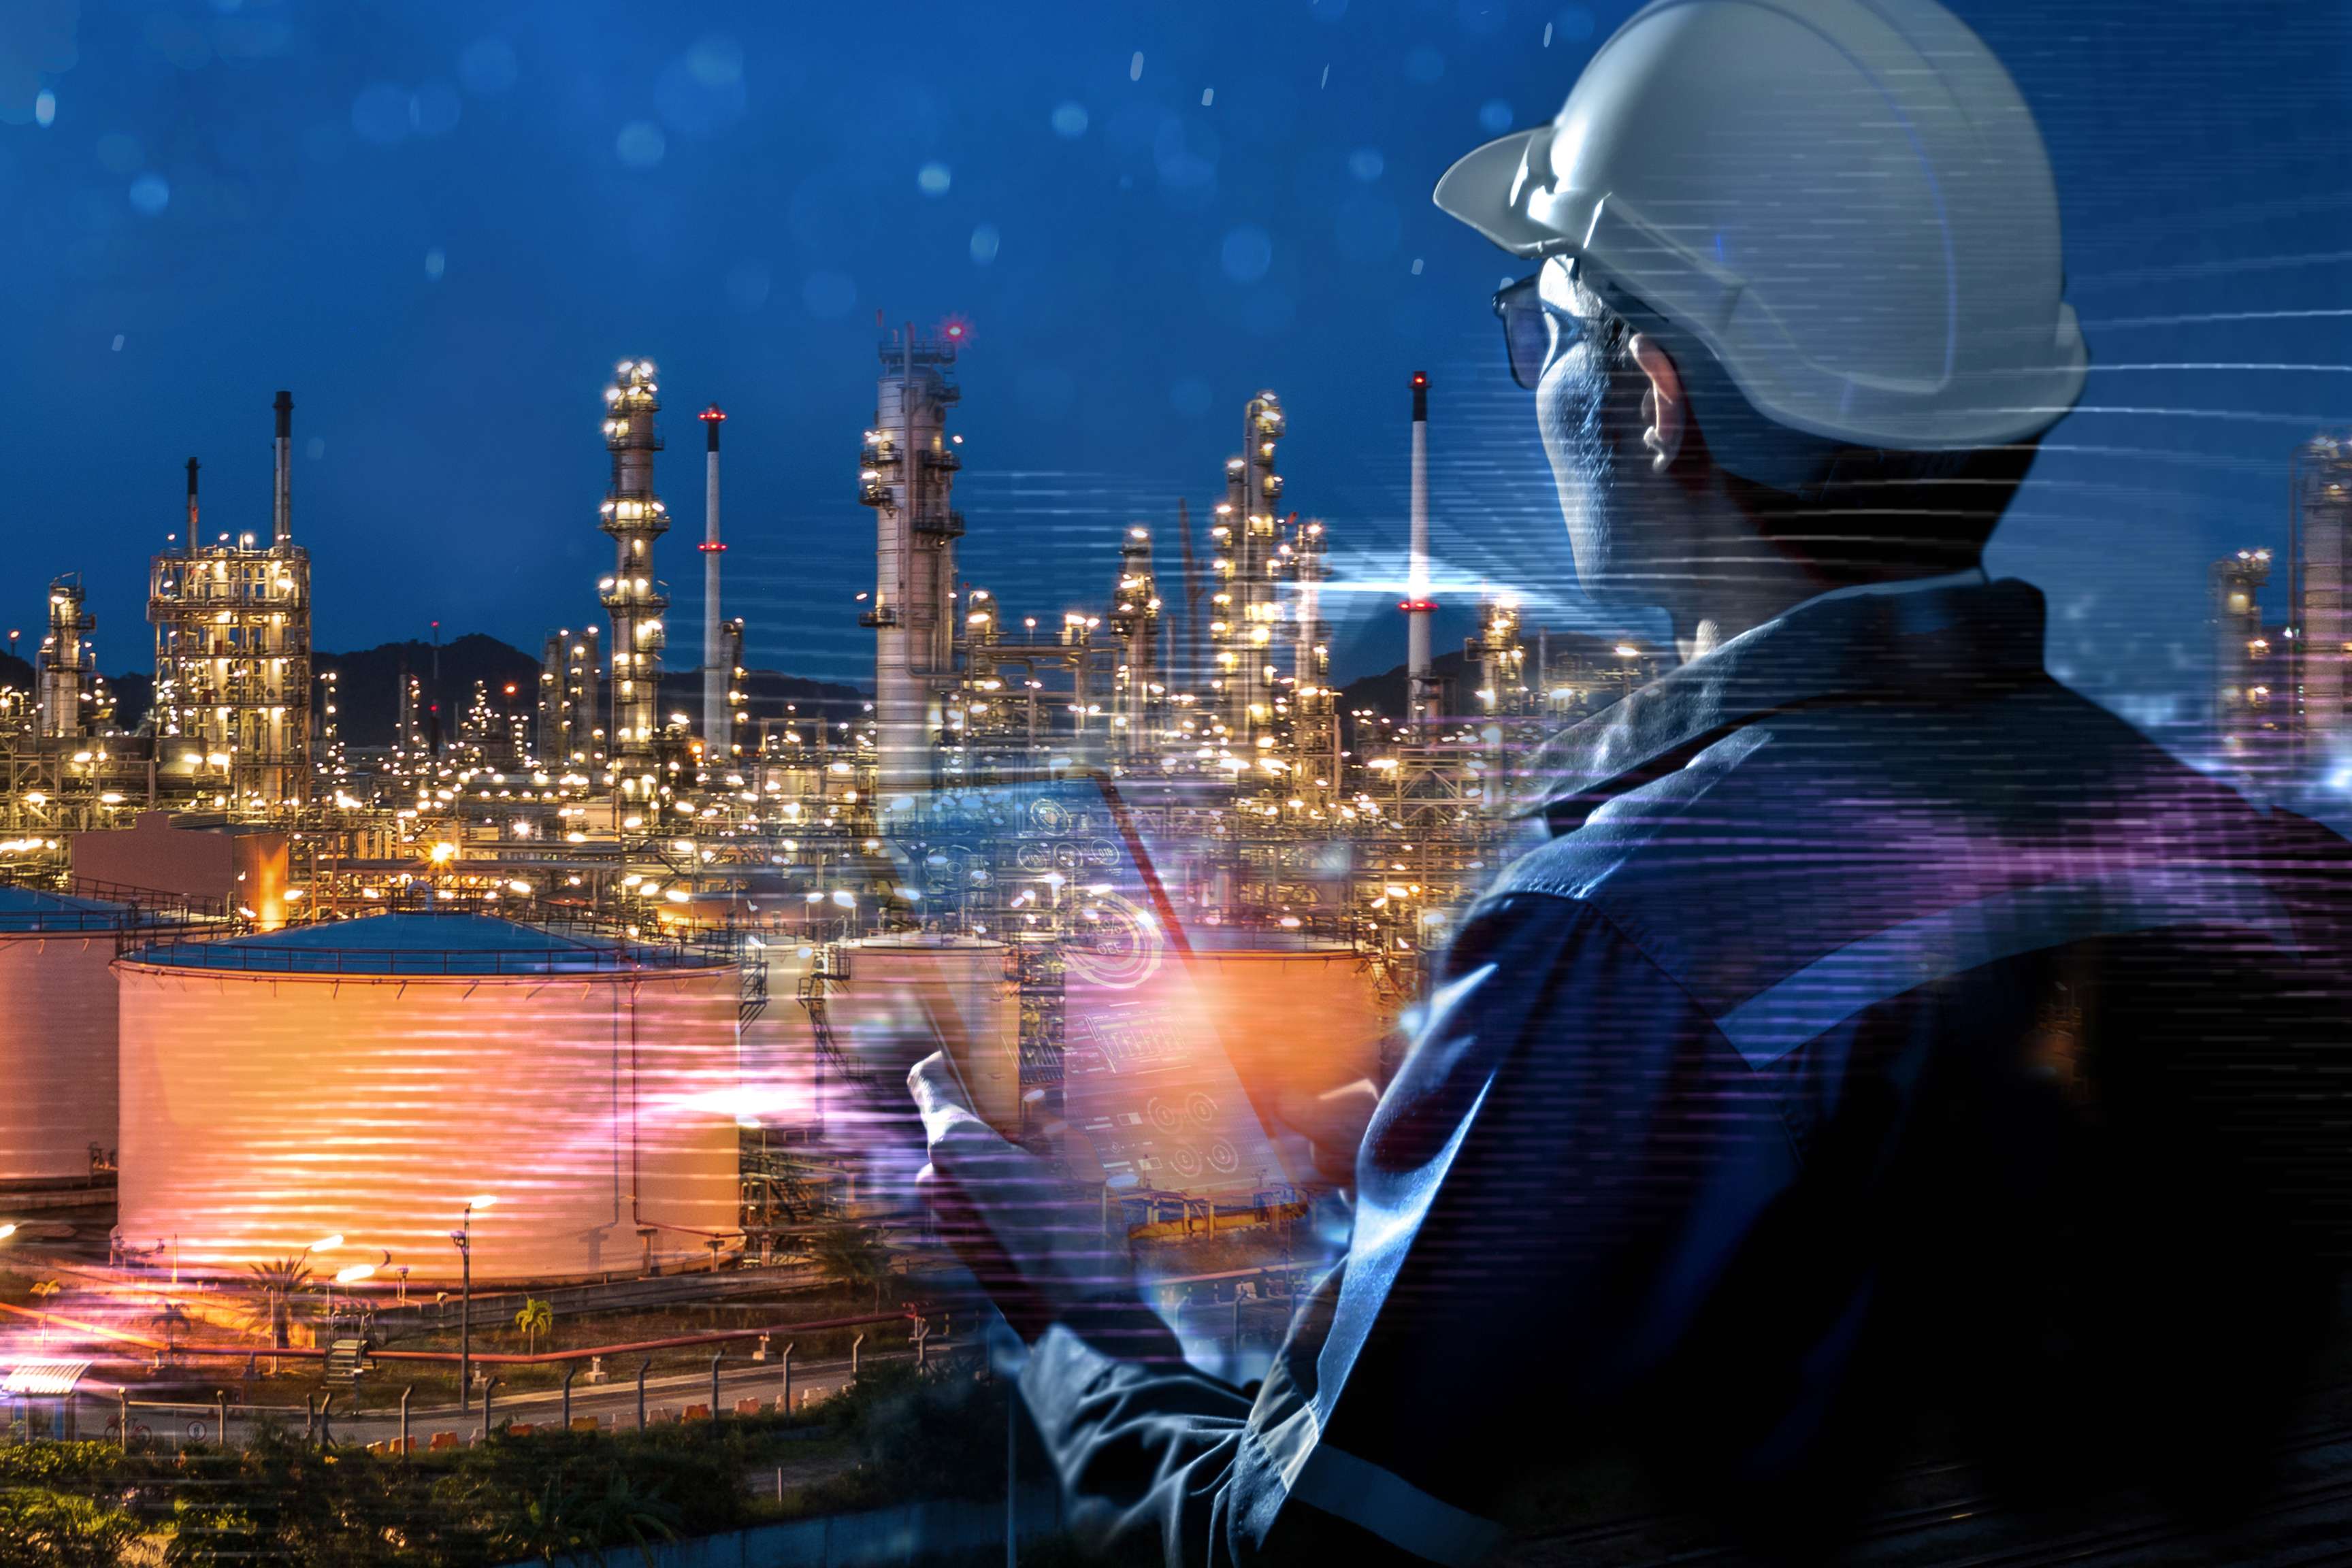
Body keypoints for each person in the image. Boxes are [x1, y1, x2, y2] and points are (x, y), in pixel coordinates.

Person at [909, 0, 2352, 1561]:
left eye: (1548, 328)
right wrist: (1479, 1142)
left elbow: (1313, 1549)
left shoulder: (1620, 936)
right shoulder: (2276, 874)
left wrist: (1067, 1306)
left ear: (1653, 401)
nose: (1538, 385)